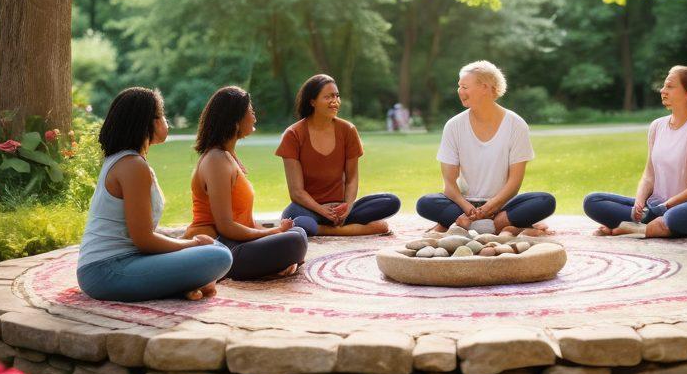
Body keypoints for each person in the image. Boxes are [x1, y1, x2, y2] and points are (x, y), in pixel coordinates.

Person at [77, 88, 232, 302]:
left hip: (120, 263)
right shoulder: (132, 166)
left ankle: (184, 285)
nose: (165, 121)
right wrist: (193, 244)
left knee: (214, 248)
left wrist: (187, 244)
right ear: (148, 123)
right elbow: (144, 240)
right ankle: (186, 283)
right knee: (219, 255)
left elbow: (142, 236)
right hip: (106, 271)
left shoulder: (125, 160)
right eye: (161, 115)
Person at [416, 60, 556, 235]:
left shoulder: (516, 124)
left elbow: (514, 182)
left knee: (545, 201)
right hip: (463, 204)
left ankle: (462, 226)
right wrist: (469, 209)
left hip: (502, 204)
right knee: (425, 203)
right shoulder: (454, 126)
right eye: (459, 86)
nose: (460, 91)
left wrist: (490, 207)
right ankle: (498, 226)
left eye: (465, 87)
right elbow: (450, 185)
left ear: (485, 87)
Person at [583, 66, 687, 238]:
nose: (663, 91)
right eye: (664, 86)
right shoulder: (657, 126)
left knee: (674, 216)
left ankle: (638, 229)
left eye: (670, 86)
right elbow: (649, 175)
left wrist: (665, 207)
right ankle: (651, 225)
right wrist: (640, 202)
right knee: (593, 201)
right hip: (655, 209)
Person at [185, 86, 308, 280]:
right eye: (251, 112)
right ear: (235, 121)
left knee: (297, 232)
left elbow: (245, 221)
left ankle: (279, 261)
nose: (254, 117)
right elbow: (226, 227)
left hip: (236, 242)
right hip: (220, 248)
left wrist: (273, 234)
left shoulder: (227, 157)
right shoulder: (216, 160)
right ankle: (277, 261)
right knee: (295, 240)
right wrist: (275, 232)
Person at [277, 74, 401, 236]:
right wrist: (322, 210)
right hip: (308, 208)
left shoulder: (348, 130)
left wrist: (347, 208)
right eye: (327, 97)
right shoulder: (293, 134)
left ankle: (329, 228)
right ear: (312, 101)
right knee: (301, 223)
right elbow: (296, 192)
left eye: (336, 96)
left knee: (391, 202)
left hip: (340, 208)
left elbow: (351, 179)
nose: (334, 101)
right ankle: (355, 229)